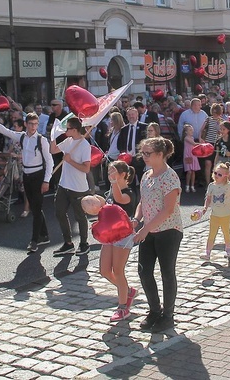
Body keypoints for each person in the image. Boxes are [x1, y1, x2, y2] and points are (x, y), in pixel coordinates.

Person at [0, 110, 53, 252]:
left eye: (36, 124)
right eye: (31, 124)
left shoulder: (41, 140)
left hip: (38, 175)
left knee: (36, 209)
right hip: (26, 175)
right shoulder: (21, 137)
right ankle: (45, 235)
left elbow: (49, 161)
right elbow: (5, 131)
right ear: (26, 124)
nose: (33, 127)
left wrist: (46, 181)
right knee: (34, 207)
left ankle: (34, 240)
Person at [132, 137, 182, 333]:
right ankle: (154, 310)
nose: (143, 157)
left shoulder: (170, 177)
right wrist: (137, 220)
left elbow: (168, 210)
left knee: (167, 272)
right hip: (149, 230)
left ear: (160, 155)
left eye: (147, 153)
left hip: (168, 230)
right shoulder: (146, 176)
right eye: (142, 153)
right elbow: (142, 202)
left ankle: (168, 315)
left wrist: (145, 229)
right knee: (144, 271)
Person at [82, 160, 138, 322]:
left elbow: (120, 199)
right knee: (105, 270)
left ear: (123, 175)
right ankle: (127, 291)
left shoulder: (129, 192)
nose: (110, 175)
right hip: (109, 235)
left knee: (118, 270)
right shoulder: (110, 192)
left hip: (123, 235)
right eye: (108, 173)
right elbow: (102, 206)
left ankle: (123, 307)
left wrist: (113, 183)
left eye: (113, 172)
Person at [50, 117, 92, 256]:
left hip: (78, 187)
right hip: (64, 185)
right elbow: (53, 150)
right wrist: (52, 137)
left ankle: (84, 243)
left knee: (80, 217)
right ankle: (68, 243)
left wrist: (70, 160)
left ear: (74, 130)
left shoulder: (85, 145)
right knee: (59, 212)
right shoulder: (68, 141)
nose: (65, 130)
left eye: (67, 128)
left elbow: (86, 168)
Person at [199, 163, 230, 260]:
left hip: (226, 214)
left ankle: (228, 249)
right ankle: (208, 253)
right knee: (212, 233)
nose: (216, 176)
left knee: (226, 232)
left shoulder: (229, 185)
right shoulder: (211, 186)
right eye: (215, 173)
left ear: (226, 176)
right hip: (215, 214)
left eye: (219, 174)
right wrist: (205, 208)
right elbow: (208, 199)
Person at [117, 107, 147, 185]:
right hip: (128, 160)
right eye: (129, 115)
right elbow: (119, 143)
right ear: (126, 116)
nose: (131, 116)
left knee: (142, 180)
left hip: (139, 158)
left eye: (133, 114)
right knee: (130, 182)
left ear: (137, 114)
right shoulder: (124, 129)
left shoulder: (144, 127)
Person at [182, 124, 200, 193]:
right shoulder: (186, 138)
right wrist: (201, 144)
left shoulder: (192, 138)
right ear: (186, 131)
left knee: (193, 171)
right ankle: (187, 185)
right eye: (190, 130)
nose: (192, 131)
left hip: (193, 155)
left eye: (192, 130)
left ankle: (192, 186)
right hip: (188, 155)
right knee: (189, 171)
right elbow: (194, 144)